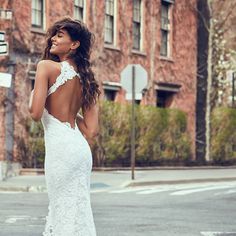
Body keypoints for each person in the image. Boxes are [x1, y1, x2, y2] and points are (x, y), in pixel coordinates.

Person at [28, 17, 101, 236]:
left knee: (61, 209)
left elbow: (35, 113)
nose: (52, 39)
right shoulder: (87, 80)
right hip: (79, 150)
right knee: (78, 209)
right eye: (54, 34)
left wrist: (37, 100)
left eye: (59, 36)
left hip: (60, 149)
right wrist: (70, 113)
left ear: (74, 44)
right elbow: (90, 130)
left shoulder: (46, 67)